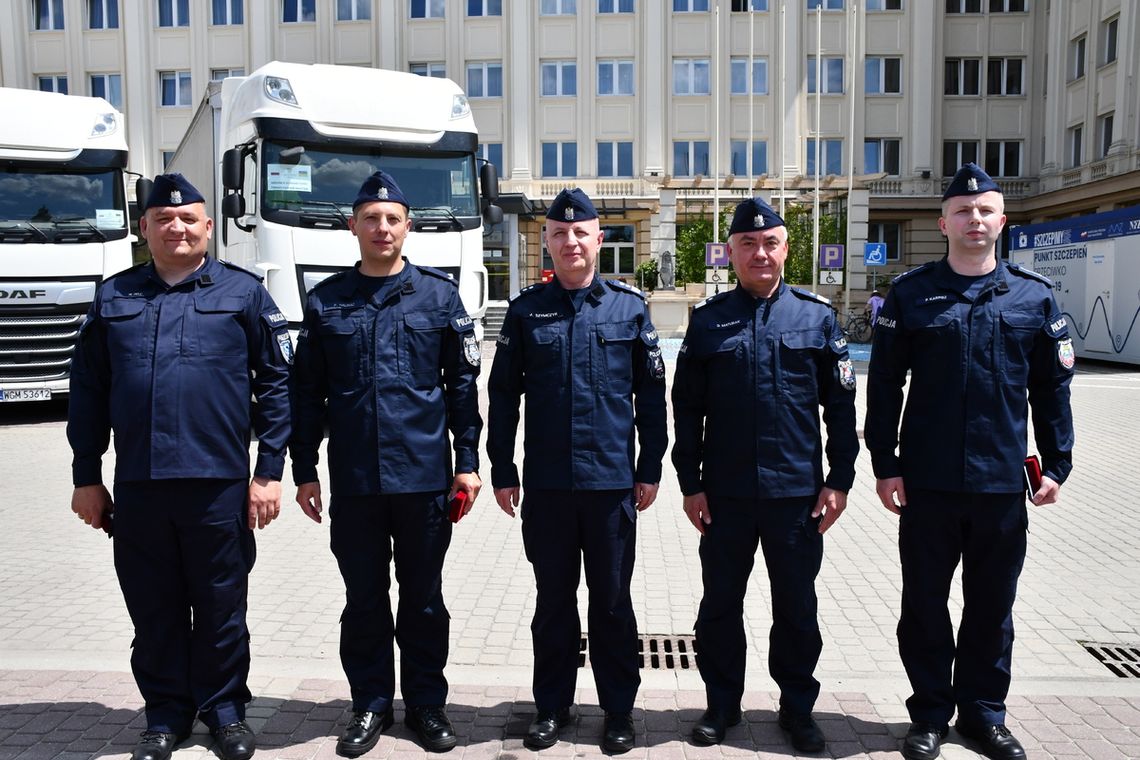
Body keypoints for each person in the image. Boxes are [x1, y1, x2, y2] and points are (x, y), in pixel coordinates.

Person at [67, 173, 292, 760]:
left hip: (217, 484)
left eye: (189, 218)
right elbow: (87, 391)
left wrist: (267, 472)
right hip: (139, 486)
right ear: (144, 228)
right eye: (163, 220)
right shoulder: (114, 297)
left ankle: (225, 711)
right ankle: (165, 714)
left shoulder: (243, 295)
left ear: (208, 227)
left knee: (221, 605)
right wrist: (85, 476)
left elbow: (276, 385)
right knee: (154, 605)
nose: (177, 227)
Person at [864, 163, 1075, 760]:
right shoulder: (910, 295)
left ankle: (984, 714)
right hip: (927, 484)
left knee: (992, 607)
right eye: (963, 211)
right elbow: (884, 387)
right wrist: (885, 462)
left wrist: (1057, 464)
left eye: (985, 211)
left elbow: (1051, 389)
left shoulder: (1034, 297)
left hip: (1001, 484)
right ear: (944, 223)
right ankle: (929, 712)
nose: (974, 220)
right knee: (925, 605)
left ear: (1001, 221)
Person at [289, 170, 482, 756]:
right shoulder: (326, 301)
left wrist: (467, 462)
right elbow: (307, 394)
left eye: (392, 218)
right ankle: (369, 704)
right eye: (370, 218)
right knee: (364, 600)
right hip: (355, 481)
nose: (381, 228)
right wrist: (304, 469)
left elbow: (462, 388)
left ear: (408, 226)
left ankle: (426, 705)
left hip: (423, 479)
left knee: (423, 599)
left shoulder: (439, 297)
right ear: (353, 226)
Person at [672, 197, 858, 753]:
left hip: (795, 496)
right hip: (725, 496)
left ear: (786, 249)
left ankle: (797, 709)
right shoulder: (707, 322)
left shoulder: (817, 318)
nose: (760, 253)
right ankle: (721, 704)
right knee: (720, 605)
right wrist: (690, 482)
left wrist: (839, 479)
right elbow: (686, 410)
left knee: (796, 607)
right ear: (730, 252)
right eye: (748, 244)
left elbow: (841, 410)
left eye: (770, 243)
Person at [487, 188, 667, 754]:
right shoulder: (524, 311)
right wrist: (501, 468)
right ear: (548, 241)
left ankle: (618, 711)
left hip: (611, 484)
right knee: (553, 600)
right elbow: (502, 396)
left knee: (612, 602)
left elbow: (652, 397)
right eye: (559, 234)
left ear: (599, 239)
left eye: (580, 233)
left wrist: (650, 466)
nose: (570, 242)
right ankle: (552, 708)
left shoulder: (628, 308)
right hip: (546, 485)